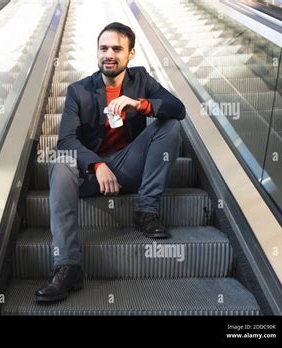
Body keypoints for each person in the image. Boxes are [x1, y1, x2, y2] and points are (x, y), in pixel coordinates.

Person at [35, 22, 186, 302]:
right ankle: (68, 265)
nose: (109, 54)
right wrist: (97, 165)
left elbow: (179, 109)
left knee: (170, 126)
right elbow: (66, 140)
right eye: (103, 48)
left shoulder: (141, 80)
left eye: (117, 48)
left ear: (131, 54)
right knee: (61, 160)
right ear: (96, 53)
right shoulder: (78, 90)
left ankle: (146, 211)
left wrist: (140, 104)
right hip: (91, 176)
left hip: (129, 167)